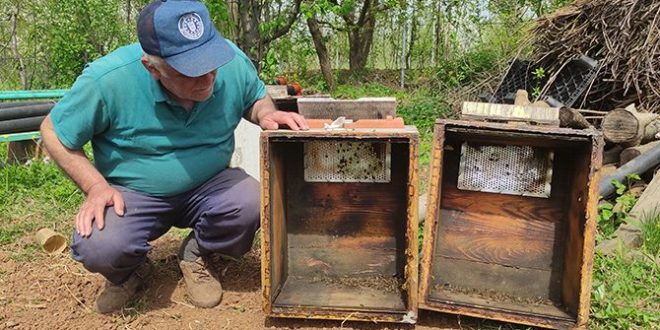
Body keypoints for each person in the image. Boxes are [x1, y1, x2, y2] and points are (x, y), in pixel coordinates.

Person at [40, 0, 307, 313]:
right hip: (134, 194)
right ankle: (131, 270)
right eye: (190, 72)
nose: (208, 78)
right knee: (99, 245)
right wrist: (96, 186)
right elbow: (53, 131)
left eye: (211, 63)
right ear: (152, 68)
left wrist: (266, 114)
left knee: (252, 202)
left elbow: (255, 97)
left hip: (210, 185)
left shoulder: (231, 61)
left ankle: (198, 254)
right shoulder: (109, 80)